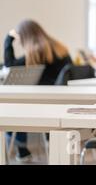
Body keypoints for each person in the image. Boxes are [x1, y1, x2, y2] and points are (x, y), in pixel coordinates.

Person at [3, 19, 72, 161]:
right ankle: (24, 151)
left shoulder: (38, 51)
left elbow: (10, 66)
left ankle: (22, 152)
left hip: (45, 104)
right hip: (61, 101)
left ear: (25, 36)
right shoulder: (59, 47)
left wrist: (8, 40)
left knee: (11, 107)